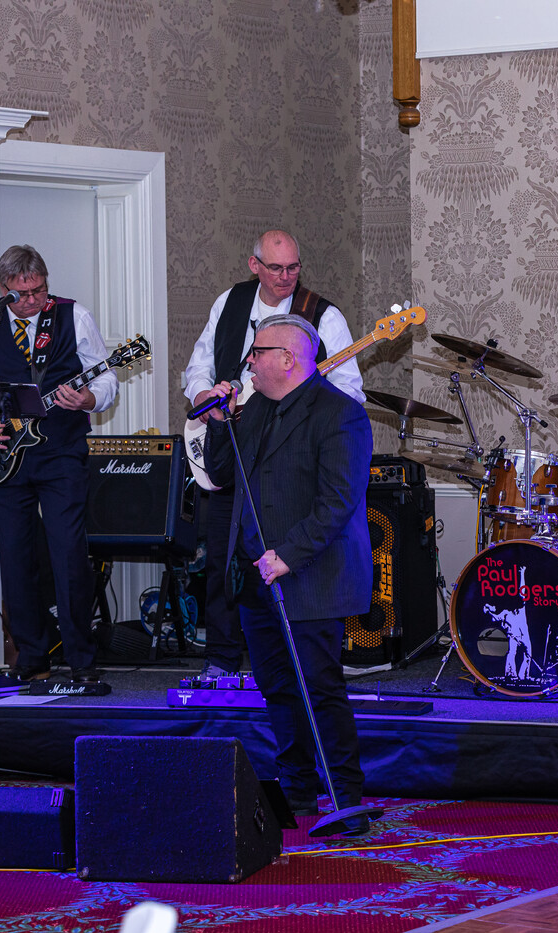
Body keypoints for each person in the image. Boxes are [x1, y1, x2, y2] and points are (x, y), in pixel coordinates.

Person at [203, 314, 372, 833]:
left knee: (319, 688)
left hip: (310, 573)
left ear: (287, 359)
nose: (248, 362)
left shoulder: (340, 413)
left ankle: (346, 798)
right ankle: (297, 790)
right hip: (256, 574)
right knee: (277, 687)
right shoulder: (255, 408)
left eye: (257, 353)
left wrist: (288, 555)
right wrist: (219, 422)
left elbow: (338, 502)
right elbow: (221, 474)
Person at [183, 230, 364, 679]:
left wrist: (301, 402)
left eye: (293, 267)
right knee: (226, 559)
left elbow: (349, 390)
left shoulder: (323, 315)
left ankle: (296, 662)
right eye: (276, 267)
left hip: (293, 459)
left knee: (290, 568)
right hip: (241, 441)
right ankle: (222, 658)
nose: (286, 276)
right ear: (255, 265)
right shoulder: (229, 303)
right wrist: (208, 399)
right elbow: (199, 365)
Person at [0, 245, 117, 683]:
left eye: (39, 290)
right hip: (4, 457)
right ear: (4, 289)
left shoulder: (74, 316)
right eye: (23, 293)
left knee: (68, 553)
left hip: (61, 453)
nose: (34, 300)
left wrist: (89, 398)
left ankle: (81, 659)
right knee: (15, 556)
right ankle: (32, 657)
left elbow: (107, 377)